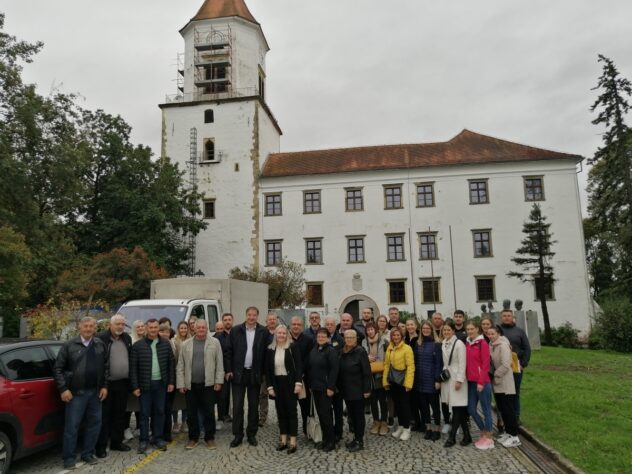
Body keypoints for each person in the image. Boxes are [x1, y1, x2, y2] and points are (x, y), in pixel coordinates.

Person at [54, 316, 109, 469]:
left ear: (95, 328)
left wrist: (105, 386)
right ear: (80, 327)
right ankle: (69, 458)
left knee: (94, 425)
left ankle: (88, 453)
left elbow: (106, 367)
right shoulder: (69, 345)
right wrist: (63, 389)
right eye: (85, 326)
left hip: (95, 393)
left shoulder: (99, 344)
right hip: (75, 394)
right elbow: (58, 369)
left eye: (91, 326)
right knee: (72, 427)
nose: (88, 329)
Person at [177, 319, 224, 450]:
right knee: (191, 414)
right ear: (194, 329)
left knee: (209, 412)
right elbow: (180, 365)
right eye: (199, 327)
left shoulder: (215, 343)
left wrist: (219, 381)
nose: (201, 329)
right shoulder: (186, 344)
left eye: (204, 327)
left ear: (207, 328)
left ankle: (209, 438)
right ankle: (193, 438)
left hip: (208, 384)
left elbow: (220, 364)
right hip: (190, 385)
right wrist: (181, 383)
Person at [130, 318, 176, 453]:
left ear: (158, 329)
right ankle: (143, 440)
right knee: (144, 413)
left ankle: (158, 438)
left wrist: (171, 382)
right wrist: (135, 386)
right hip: (145, 385)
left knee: (160, 412)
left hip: (161, 384)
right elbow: (133, 369)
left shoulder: (165, 344)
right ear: (146, 328)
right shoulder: (138, 346)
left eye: (156, 327)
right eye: (151, 327)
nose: (153, 330)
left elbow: (171, 365)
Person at [225, 306, 268, 448]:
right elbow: (228, 351)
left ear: (257, 316)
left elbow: (266, 354)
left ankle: (251, 434)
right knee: (237, 406)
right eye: (249, 315)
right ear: (245, 315)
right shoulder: (236, 330)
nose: (251, 317)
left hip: (254, 374)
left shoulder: (263, 331)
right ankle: (237, 435)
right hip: (238, 373)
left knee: (253, 405)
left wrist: (263, 373)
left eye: (254, 315)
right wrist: (229, 370)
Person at [96, 314, 132, 458]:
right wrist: (102, 384)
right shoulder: (101, 339)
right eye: (118, 324)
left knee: (119, 415)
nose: (120, 327)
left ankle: (117, 442)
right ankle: (101, 446)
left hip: (123, 384)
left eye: (123, 324)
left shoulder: (126, 338)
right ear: (110, 325)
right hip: (106, 385)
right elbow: (99, 363)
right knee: (104, 416)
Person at [266, 325, 303, 454]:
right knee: (281, 412)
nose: (281, 335)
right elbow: (268, 370)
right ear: (275, 334)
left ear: (287, 334)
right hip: (277, 383)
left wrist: (298, 383)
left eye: (283, 333)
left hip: (290, 382)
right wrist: (269, 386)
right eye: (279, 333)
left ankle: (293, 441)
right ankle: (283, 439)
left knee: (291, 411)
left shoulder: (293, 347)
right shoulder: (270, 349)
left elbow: (299, 366)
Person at [487, 325, 522, 448]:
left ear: (498, 334)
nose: (490, 336)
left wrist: (495, 375)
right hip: (498, 383)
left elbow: (506, 364)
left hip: (505, 382)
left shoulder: (503, 345)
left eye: (493, 334)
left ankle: (514, 436)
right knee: (502, 409)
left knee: (508, 410)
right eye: (488, 334)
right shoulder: (491, 345)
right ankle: (508, 433)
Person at [339, 329, 371, 452]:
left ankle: (360, 441)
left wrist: (367, 389)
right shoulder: (342, 351)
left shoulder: (360, 352)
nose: (349, 339)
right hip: (347, 390)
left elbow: (367, 372)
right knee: (351, 416)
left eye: (351, 337)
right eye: (347, 337)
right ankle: (355, 438)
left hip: (358, 390)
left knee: (358, 417)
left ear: (356, 338)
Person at [308, 328, 339, 452]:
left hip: (326, 388)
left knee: (326, 415)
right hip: (316, 387)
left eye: (323, 336)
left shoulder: (331, 351)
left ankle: (331, 441)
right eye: (319, 336)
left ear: (328, 338)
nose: (320, 338)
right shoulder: (314, 350)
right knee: (321, 414)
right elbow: (311, 368)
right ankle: (325, 439)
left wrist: (331, 387)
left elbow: (334, 370)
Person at [440, 320, 470, 448]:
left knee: (457, 408)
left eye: (448, 330)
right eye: (444, 330)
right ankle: (467, 436)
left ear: (453, 331)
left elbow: (463, 363)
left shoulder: (459, 344)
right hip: (448, 379)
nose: (446, 332)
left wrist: (459, 380)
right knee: (460, 408)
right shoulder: (444, 343)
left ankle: (452, 437)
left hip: (458, 379)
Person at [465, 320, 493, 450]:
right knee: (471, 409)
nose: (470, 331)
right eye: (468, 329)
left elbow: (486, 364)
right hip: (470, 382)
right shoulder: (467, 343)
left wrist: (481, 382)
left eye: (472, 329)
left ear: (477, 329)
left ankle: (489, 438)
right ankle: (483, 431)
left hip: (482, 383)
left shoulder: (482, 343)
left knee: (486, 410)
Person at [383, 327, 415, 441]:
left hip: (403, 381)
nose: (395, 337)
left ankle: (407, 429)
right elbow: (387, 365)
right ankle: (401, 426)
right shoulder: (390, 348)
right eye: (393, 335)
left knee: (405, 405)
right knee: (398, 405)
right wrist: (385, 381)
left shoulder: (407, 348)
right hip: (393, 381)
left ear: (402, 336)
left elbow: (411, 366)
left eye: (398, 335)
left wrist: (408, 383)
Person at [413, 320, 443, 442]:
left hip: (431, 379)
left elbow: (438, 364)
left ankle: (437, 429)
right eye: (423, 328)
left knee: (435, 407)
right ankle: (429, 428)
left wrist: (437, 380)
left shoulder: (437, 344)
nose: (425, 330)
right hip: (420, 380)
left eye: (427, 328)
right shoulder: (418, 343)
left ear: (431, 330)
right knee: (424, 407)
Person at [500, 309, 531, 424]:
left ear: (512, 317)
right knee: (503, 393)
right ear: (501, 317)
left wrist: (523, 364)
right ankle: (504, 418)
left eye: (509, 316)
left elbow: (527, 348)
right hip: (502, 367)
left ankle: (516, 416)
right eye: (504, 316)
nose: (507, 318)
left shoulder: (520, 331)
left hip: (516, 367)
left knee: (515, 392)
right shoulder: (498, 331)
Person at [289, 316, 314, 436]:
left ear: (302, 326)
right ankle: (290, 431)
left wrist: (300, 372)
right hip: (288, 379)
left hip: (304, 379)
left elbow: (309, 359)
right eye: (294, 324)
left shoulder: (309, 340)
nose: (296, 326)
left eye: (298, 324)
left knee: (305, 406)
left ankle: (306, 430)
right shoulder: (285, 338)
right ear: (290, 325)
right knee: (289, 407)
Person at [362, 322, 388, 436]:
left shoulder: (384, 341)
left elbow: (388, 357)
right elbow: (361, 356)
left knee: (383, 400)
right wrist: (366, 358)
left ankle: (384, 422)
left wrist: (377, 359)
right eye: (368, 330)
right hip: (369, 375)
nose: (370, 331)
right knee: (372, 401)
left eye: (372, 329)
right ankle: (376, 421)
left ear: (376, 330)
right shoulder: (363, 342)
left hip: (381, 375)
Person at [259, 312, 279, 427]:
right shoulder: (262, 333)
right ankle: (262, 417)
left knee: (279, 394)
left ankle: (280, 416)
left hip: (278, 369)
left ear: (276, 320)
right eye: (269, 319)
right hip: (264, 369)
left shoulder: (281, 332)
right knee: (262, 394)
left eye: (274, 319)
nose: (272, 321)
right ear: (266, 321)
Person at [159, 323, 177, 442]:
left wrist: (171, 382)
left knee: (167, 409)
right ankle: (157, 433)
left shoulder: (172, 343)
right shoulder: (156, 343)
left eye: (167, 332)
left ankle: (167, 434)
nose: (165, 334)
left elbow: (172, 364)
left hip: (169, 381)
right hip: (158, 381)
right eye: (162, 331)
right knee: (158, 410)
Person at [172, 321, 190, 433]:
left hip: (187, 374)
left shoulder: (191, 340)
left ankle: (184, 422)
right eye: (181, 328)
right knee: (176, 401)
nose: (183, 330)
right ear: (178, 329)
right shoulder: (174, 341)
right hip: (177, 373)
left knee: (185, 401)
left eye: (185, 328)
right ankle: (175, 423)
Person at [215, 313, 233, 424]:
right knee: (223, 395)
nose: (227, 321)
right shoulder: (217, 338)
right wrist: (225, 371)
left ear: (232, 321)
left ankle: (229, 414)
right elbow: (219, 356)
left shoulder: (236, 334)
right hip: (223, 370)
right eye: (225, 320)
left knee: (235, 396)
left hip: (235, 370)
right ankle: (221, 416)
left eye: (229, 319)